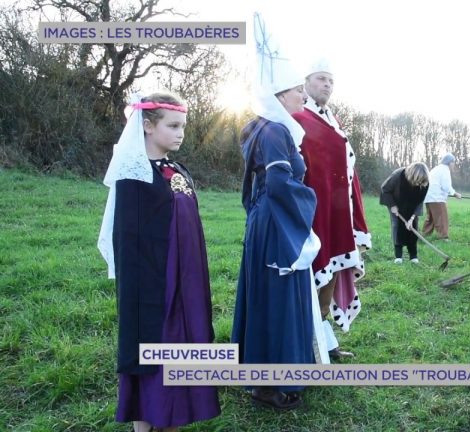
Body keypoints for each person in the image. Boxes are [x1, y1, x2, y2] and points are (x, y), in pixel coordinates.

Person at [98, 92, 220, 431]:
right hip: (154, 286)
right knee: (154, 350)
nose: (181, 132)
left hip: (187, 282)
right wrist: (149, 288)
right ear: (148, 126)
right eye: (173, 125)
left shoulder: (176, 170)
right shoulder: (134, 176)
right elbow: (129, 241)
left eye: (183, 125)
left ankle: (174, 417)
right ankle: (144, 421)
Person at [231, 57, 325, 411]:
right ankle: (270, 385)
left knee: (269, 295)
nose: (303, 95)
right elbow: (279, 181)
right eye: (298, 91)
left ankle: (269, 377)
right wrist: (311, 200)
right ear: (279, 95)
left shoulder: (264, 127)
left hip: (267, 217)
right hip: (277, 221)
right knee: (278, 297)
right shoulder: (275, 130)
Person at [292, 59, 371, 360]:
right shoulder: (299, 117)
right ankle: (308, 346)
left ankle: (325, 341)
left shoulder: (331, 120)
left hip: (338, 212)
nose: (327, 85)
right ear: (306, 82)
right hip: (313, 213)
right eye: (321, 79)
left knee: (334, 271)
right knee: (315, 277)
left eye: (331, 81)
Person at [380, 163, 430, 263]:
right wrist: (392, 205)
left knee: (413, 227)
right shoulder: (398, 175)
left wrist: (412, 218)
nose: (419, 184)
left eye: (421, 182)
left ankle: (413, 256)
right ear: (412, 176)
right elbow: (385, 189)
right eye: (417, 181)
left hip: (412, 206)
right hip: (395, 203)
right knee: (397, 226)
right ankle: (398, 256)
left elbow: (420, 201)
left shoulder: (425, 182)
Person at [423, 153, 462, 239]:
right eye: (453, 162)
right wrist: (455, 194)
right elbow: (446, 186)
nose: (454, 165)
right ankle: (444, 237)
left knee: (431, 217)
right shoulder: (445, 170)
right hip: (437, 198)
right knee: (442, 217)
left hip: (428, 197)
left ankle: (425, 234)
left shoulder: (436, 169)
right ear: (449, 162)